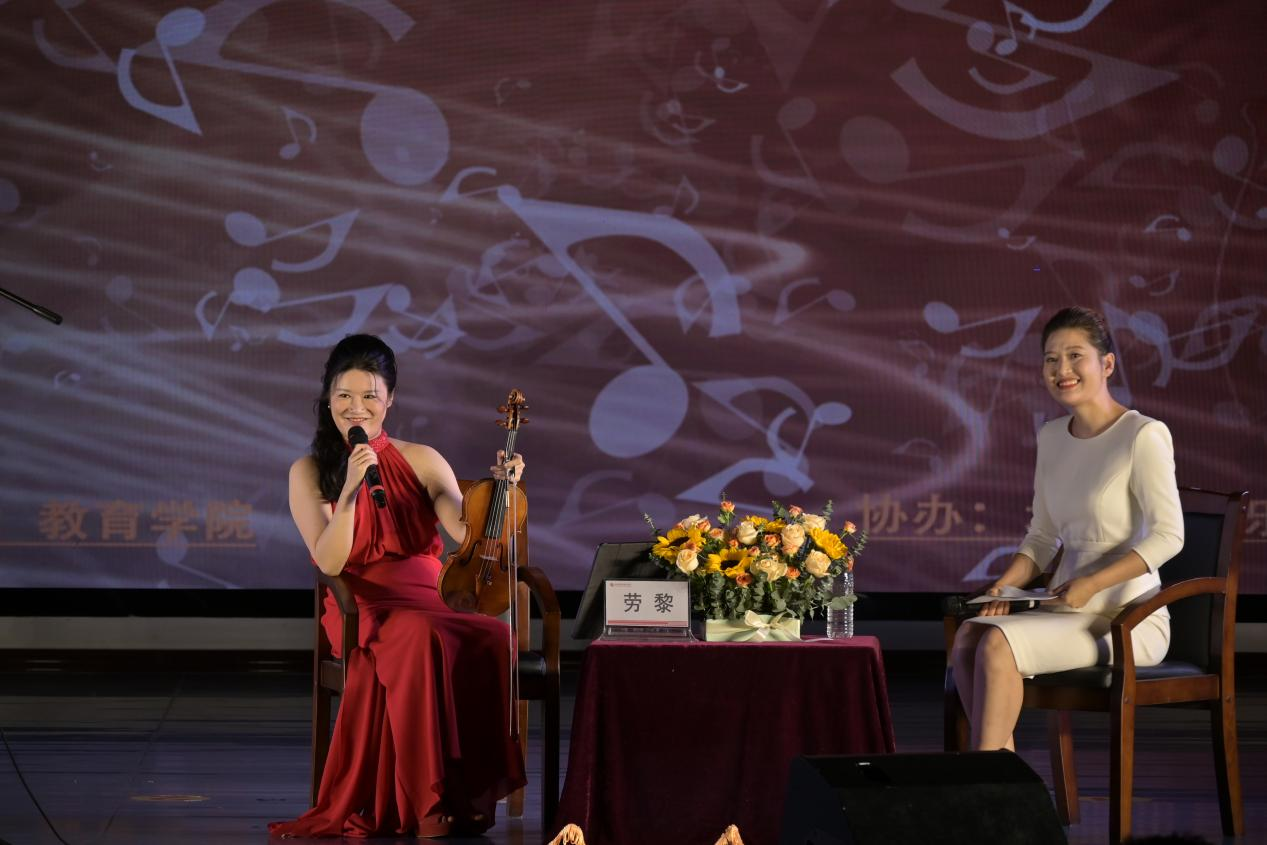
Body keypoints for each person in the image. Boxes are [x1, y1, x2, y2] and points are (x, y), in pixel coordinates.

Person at [270, 334, 527, 838]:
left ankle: (466, 792)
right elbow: (329, 559)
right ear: (327, 399)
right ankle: (426, 803)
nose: (356, 408)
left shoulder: (423, 459)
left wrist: (501, 490)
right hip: (360, 599)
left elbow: (462, 532)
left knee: (493, 634)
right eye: (344, 395)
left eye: (370, 396)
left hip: (430, 593)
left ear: (390, 400)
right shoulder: (310, 471)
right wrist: (349, 491)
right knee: (417, 635)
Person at [951, 306, 1184, 751]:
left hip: (1126, 619)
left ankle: (988, 782)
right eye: (1051, 359)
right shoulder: (1052, 436)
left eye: (1075, 356)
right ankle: (1001, 774)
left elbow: (1170, 536)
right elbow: (1042, 536)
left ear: (1107, 364)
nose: (1062, 370)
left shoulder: (1144, 434)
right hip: (1065, 609)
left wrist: (1092, 583)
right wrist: (1004, 587)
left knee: (997, 645)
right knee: (968, 638)